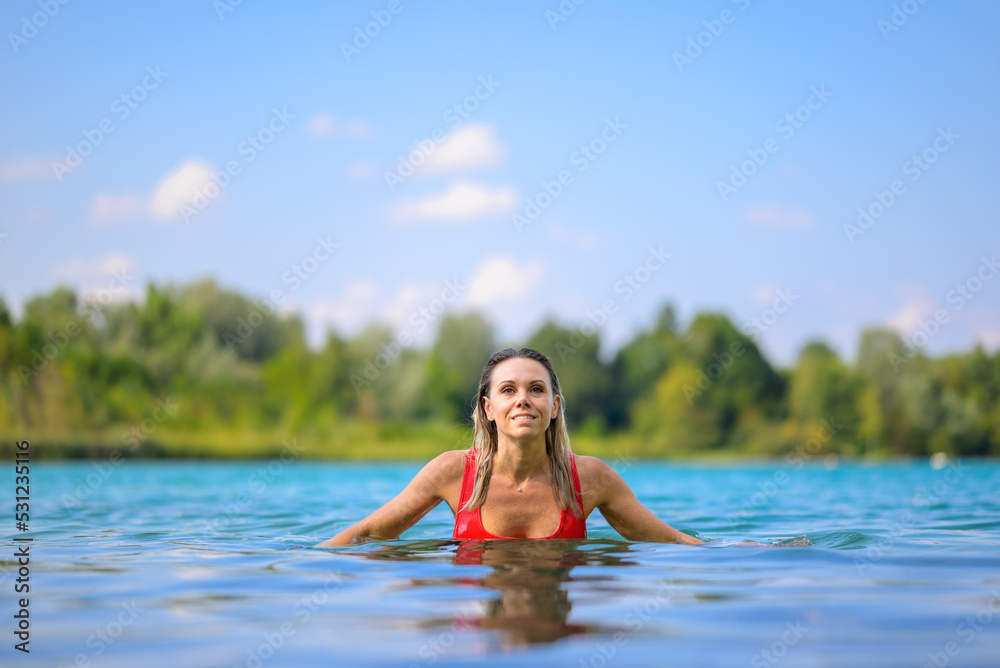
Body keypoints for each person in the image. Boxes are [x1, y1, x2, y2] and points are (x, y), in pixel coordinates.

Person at [317, 347, 703, 547]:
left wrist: (749, 552)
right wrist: (301, 562)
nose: (522, 400)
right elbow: (368, 533)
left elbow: (671, 540)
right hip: (479, 638)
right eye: (508, 390)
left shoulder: (591, 477)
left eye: (536, 389)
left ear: (554, 407)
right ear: (489, 408)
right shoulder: (453, 472)